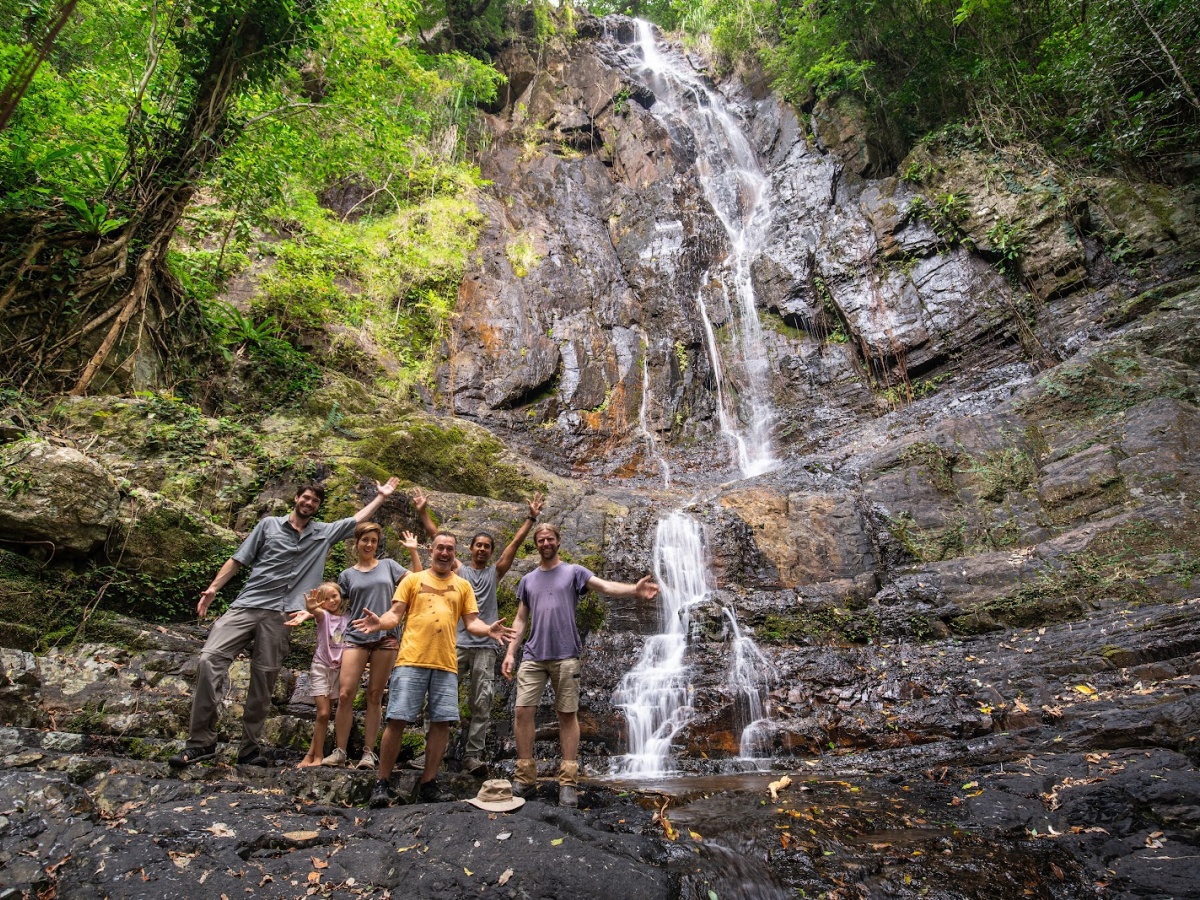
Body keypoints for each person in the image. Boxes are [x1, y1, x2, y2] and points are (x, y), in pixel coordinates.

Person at [169, 478, 399, 768]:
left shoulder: (323, 534)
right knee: (208, 660)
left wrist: (381, 497)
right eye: (305, 498)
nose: (309, 503)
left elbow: (355, 519)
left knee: (264, 680)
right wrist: (214, 588)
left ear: (318, 506)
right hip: (248, 604)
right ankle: (201, 742)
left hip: (283, 617)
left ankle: (249, 749)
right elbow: (238, 559)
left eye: (314, 501)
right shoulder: (268, 526)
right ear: (296, 499)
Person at [352, 531, 517, 807]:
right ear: (431, 550)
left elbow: (471, 622)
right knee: (397, 719)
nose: (444, 553)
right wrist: (380, 623)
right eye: (440, 547)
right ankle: (382, 782)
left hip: (445, 663)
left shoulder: (463, 586)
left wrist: (489, 630)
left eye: (449, 549)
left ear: (454, 554)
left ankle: (429, 783)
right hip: (411, 659)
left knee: (441, 723)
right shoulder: (413, 580)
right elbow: (395, 613)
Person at [502, 523, 659, 808]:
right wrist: (511, 652)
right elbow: (520, 620)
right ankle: (525, 777)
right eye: (541, 539)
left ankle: (568, 782)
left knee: (567, 714)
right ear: (536, 545)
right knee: (523, 711)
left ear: (558, 542)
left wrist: (634, 591)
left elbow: (605, 586)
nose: (546, 542)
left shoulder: (574, 572)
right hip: (533, 655)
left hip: (566, 654)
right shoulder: (528, 580)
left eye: (550, 538)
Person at [413, 487, 544, 775]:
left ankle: (473, 755)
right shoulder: (460, 571)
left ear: (490, 552)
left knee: (481, 701)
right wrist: (423, 511)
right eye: (478, 545)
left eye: (487, 546)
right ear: (470, 549)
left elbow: (514, 545)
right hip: (455, 644)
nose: (482, 549)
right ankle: (430, 753)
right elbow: (438, 539)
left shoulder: (494, 573)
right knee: (438, 697)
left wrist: (530, 519)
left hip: (485, 646)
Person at [321, 524, 423, 769]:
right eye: (365, 540)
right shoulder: (347, 575)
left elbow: (419, 581)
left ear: (378, 544)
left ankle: (368, 753)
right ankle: (340, 751)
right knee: (345, 693)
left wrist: (413, 551)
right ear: (356, 543)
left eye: (374, 541)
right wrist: (312, 612)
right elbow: (333, 603)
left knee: (375, 695)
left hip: (386, 636)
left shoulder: (388, 566)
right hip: (356, 636)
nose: (369, 544)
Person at [291, 583, 349, 768]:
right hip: (321, 666)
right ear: (321, 603)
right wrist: (312, 608)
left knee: (325, 715)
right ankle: (318, 755)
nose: (331, 601)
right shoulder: (323, 616)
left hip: (339, 669)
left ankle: (310, 754)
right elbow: (316, 613)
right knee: (323, 713)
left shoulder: (348, 617)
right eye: (326, 599)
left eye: (334, 596)